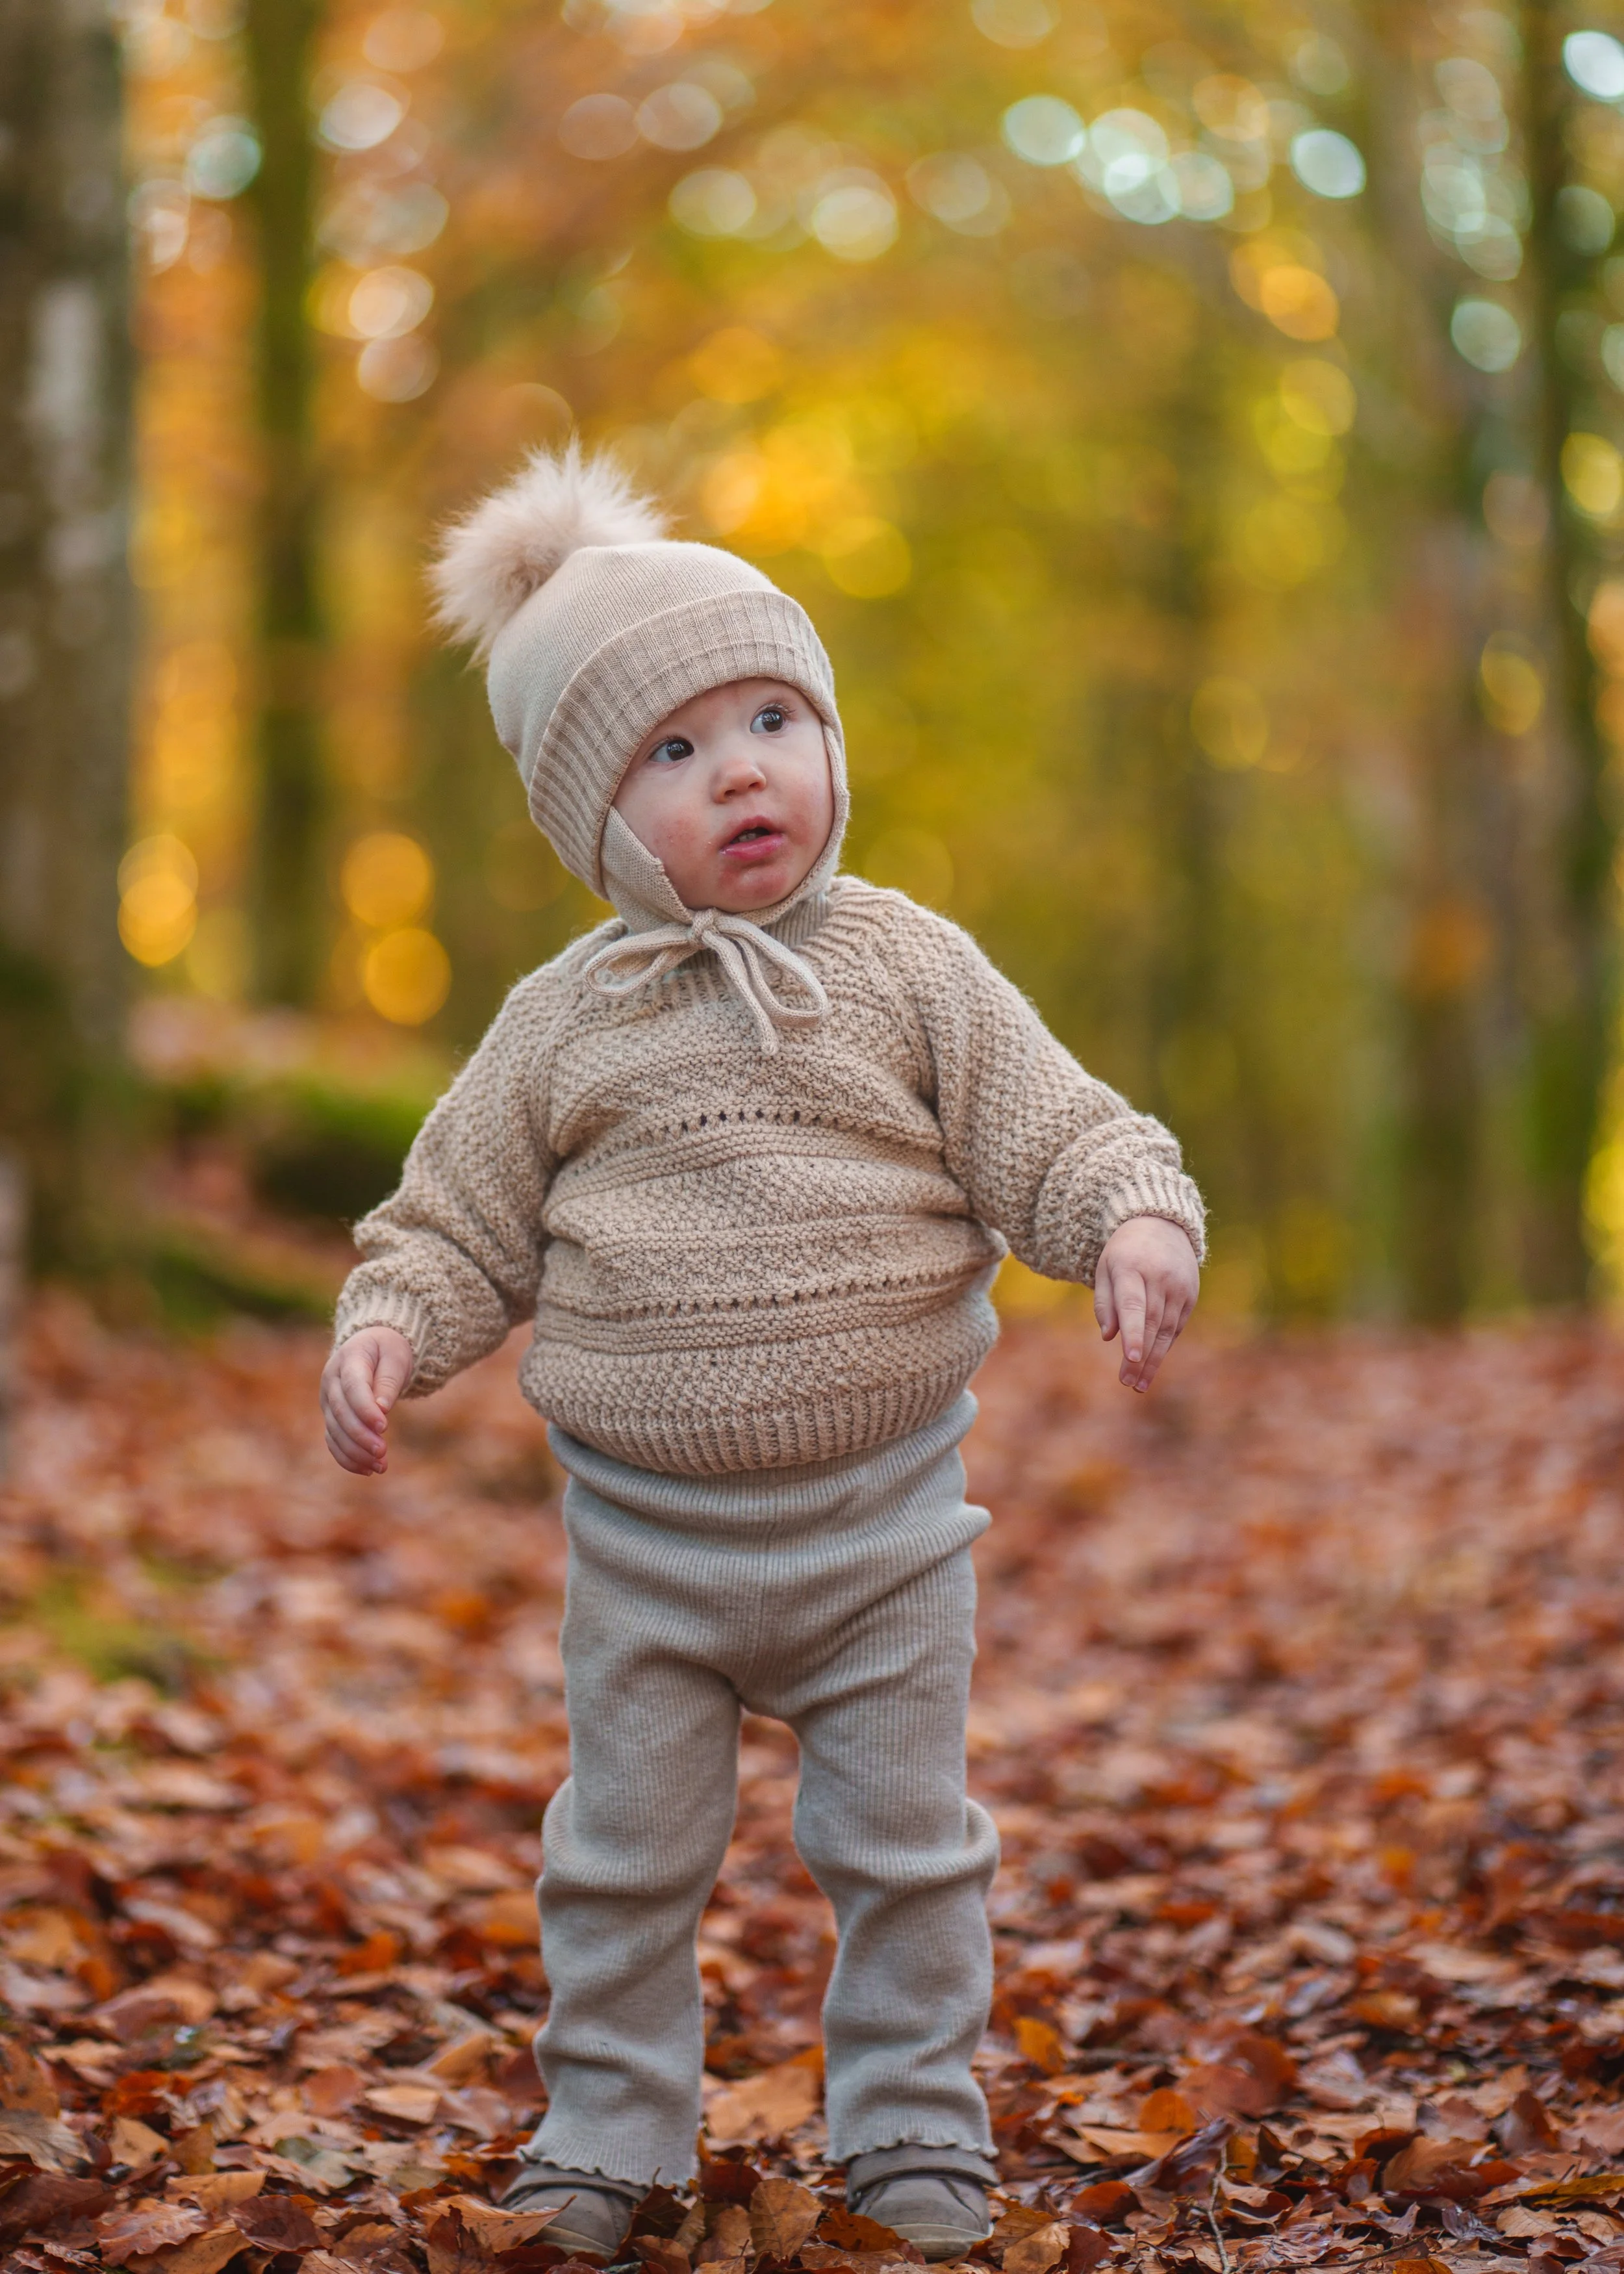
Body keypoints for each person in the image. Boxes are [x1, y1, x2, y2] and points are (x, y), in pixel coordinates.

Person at [320, 445, 1204, 2261]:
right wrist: (394, 1320)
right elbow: (460, 1214)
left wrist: (1129, 1220)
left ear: (825, 738)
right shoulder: (561, 1021)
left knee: (905, 1852)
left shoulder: (906, 966)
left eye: (771, 715)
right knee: (622, 1858)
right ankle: (610, 2133)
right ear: (592, 816)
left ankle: (911, 2132)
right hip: (645, 1551)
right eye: (670, 748)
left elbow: (1056, 1127)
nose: (737, 768)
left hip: (883, 1534)